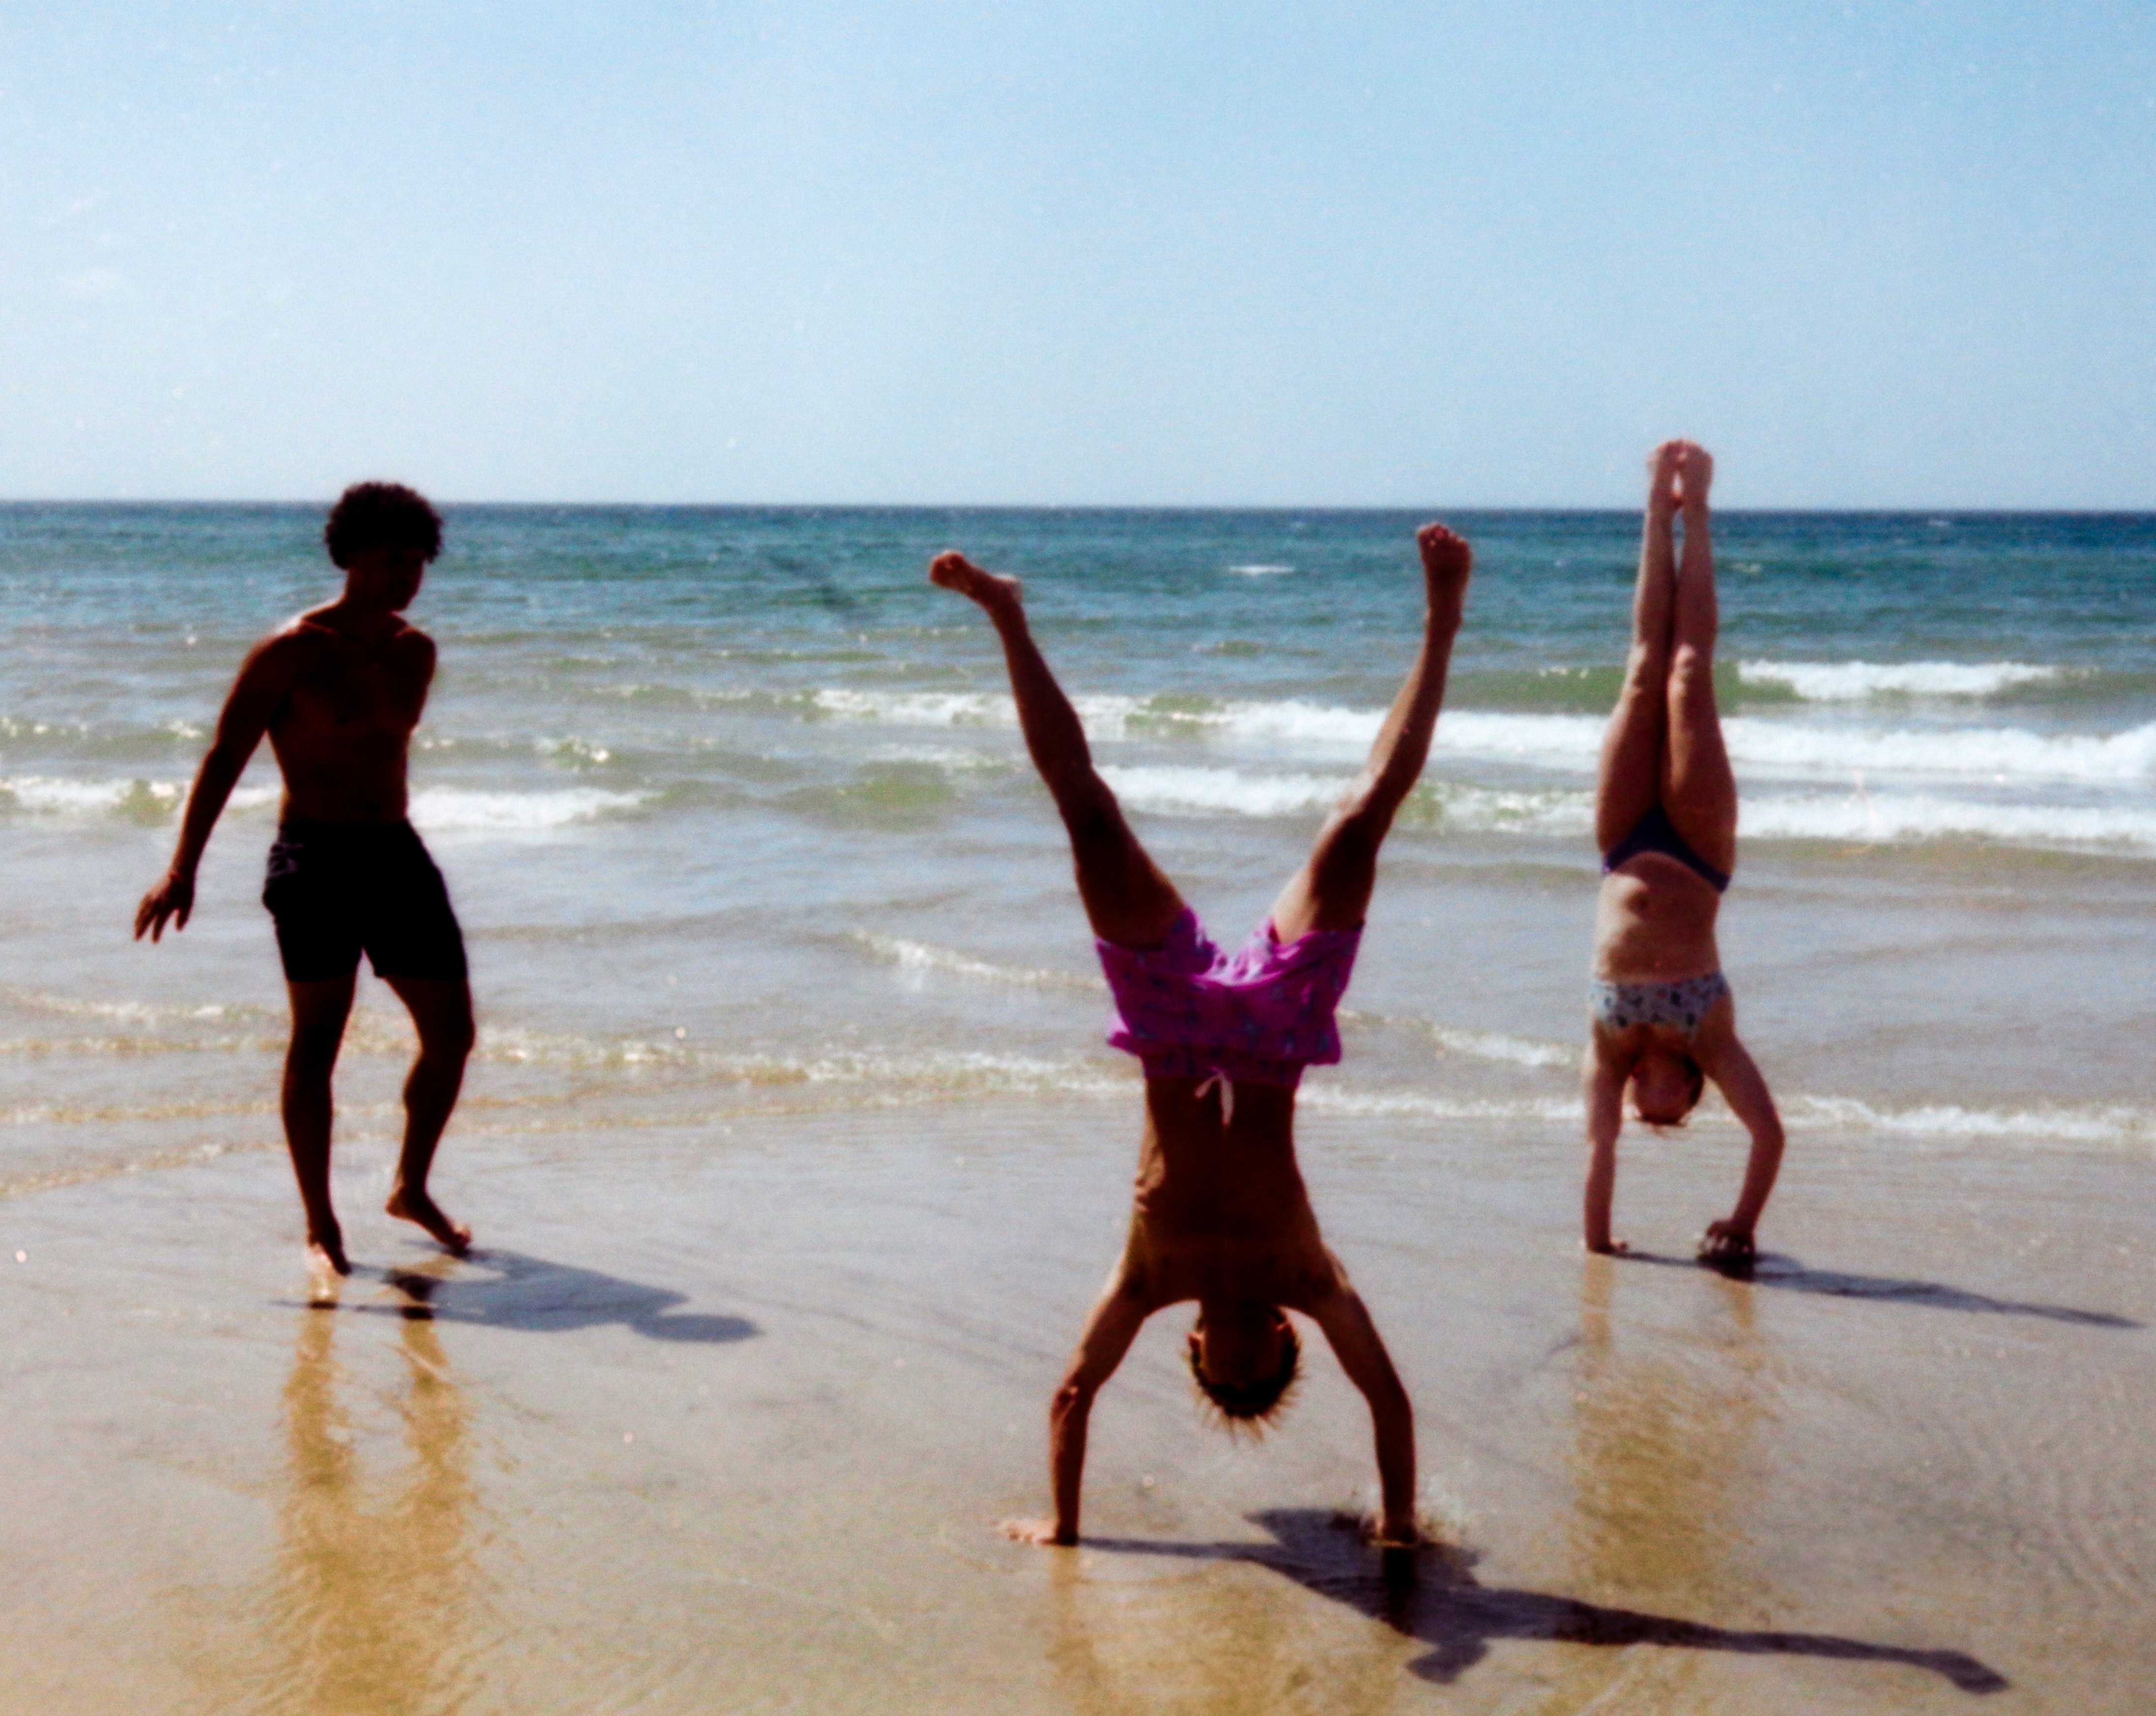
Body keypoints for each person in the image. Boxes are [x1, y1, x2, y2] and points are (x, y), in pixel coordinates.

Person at [931, 523, 1472, 1549]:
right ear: (1276, 1340)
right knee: (1362, 820)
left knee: (1085, 813)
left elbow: (1071, 1392)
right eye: (1249, 1365)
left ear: (1192, 1344)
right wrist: (1399, 1525)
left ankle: (1006, 612)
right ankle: (1443, 618)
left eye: (1214, 1366)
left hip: (1173, 1020)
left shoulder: (1146, 1280)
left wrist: (1063, 1524)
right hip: (1275, 1027)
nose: (1225, 1350)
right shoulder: (1308, 1282)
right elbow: (1389, 1404)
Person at [135, 482, 476, 1278]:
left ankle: (410, 1188)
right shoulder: (290, 650)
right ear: (350, 556)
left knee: (452, 1035)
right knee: (317, 1043)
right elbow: (225, 757)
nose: (406, 575)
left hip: (396, 854)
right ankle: (321, 1222)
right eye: (392, 559)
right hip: (313, 860)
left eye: (418, 562)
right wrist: (183, 867)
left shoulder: (413, 651)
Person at [1583, 442, 1784, 1268]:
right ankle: (1694, 511)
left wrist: (1595, 1242)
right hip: (1699, 854)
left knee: (1641, 673)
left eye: (1643, 1117)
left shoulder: (1608, 1049)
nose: (1643, 1114)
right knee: (1687, 672)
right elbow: (1770, 1135)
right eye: (1663, 1118)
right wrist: (1741, 1223)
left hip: (1624, 844)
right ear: (1688, 1097)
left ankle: (1651, 509)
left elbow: (1596, 1149)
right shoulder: (1712, 1041)